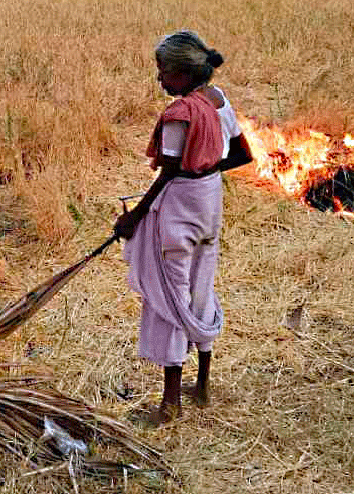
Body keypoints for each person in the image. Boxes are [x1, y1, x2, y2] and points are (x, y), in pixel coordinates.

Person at [114, 31, 252, 426]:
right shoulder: (218, 99)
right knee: (200, 286)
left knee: (170, 296)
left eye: (163, 72)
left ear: (182, 72)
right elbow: (241, 154)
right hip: (209, 204)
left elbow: (169, 171)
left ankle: (170, 404)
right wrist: (205, 169)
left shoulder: (179, 114)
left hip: (179, 211)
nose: (159, 80)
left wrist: (134, 217)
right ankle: (202, 386)